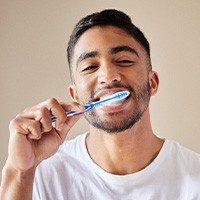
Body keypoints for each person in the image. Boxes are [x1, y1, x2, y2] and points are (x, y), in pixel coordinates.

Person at [1, 9, 200, 200]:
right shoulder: (40, 174)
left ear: (152, 82)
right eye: (90, 67)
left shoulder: (195, 179)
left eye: (123, 60)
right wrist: (21, 172)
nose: (108, 76)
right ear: (75, 95)